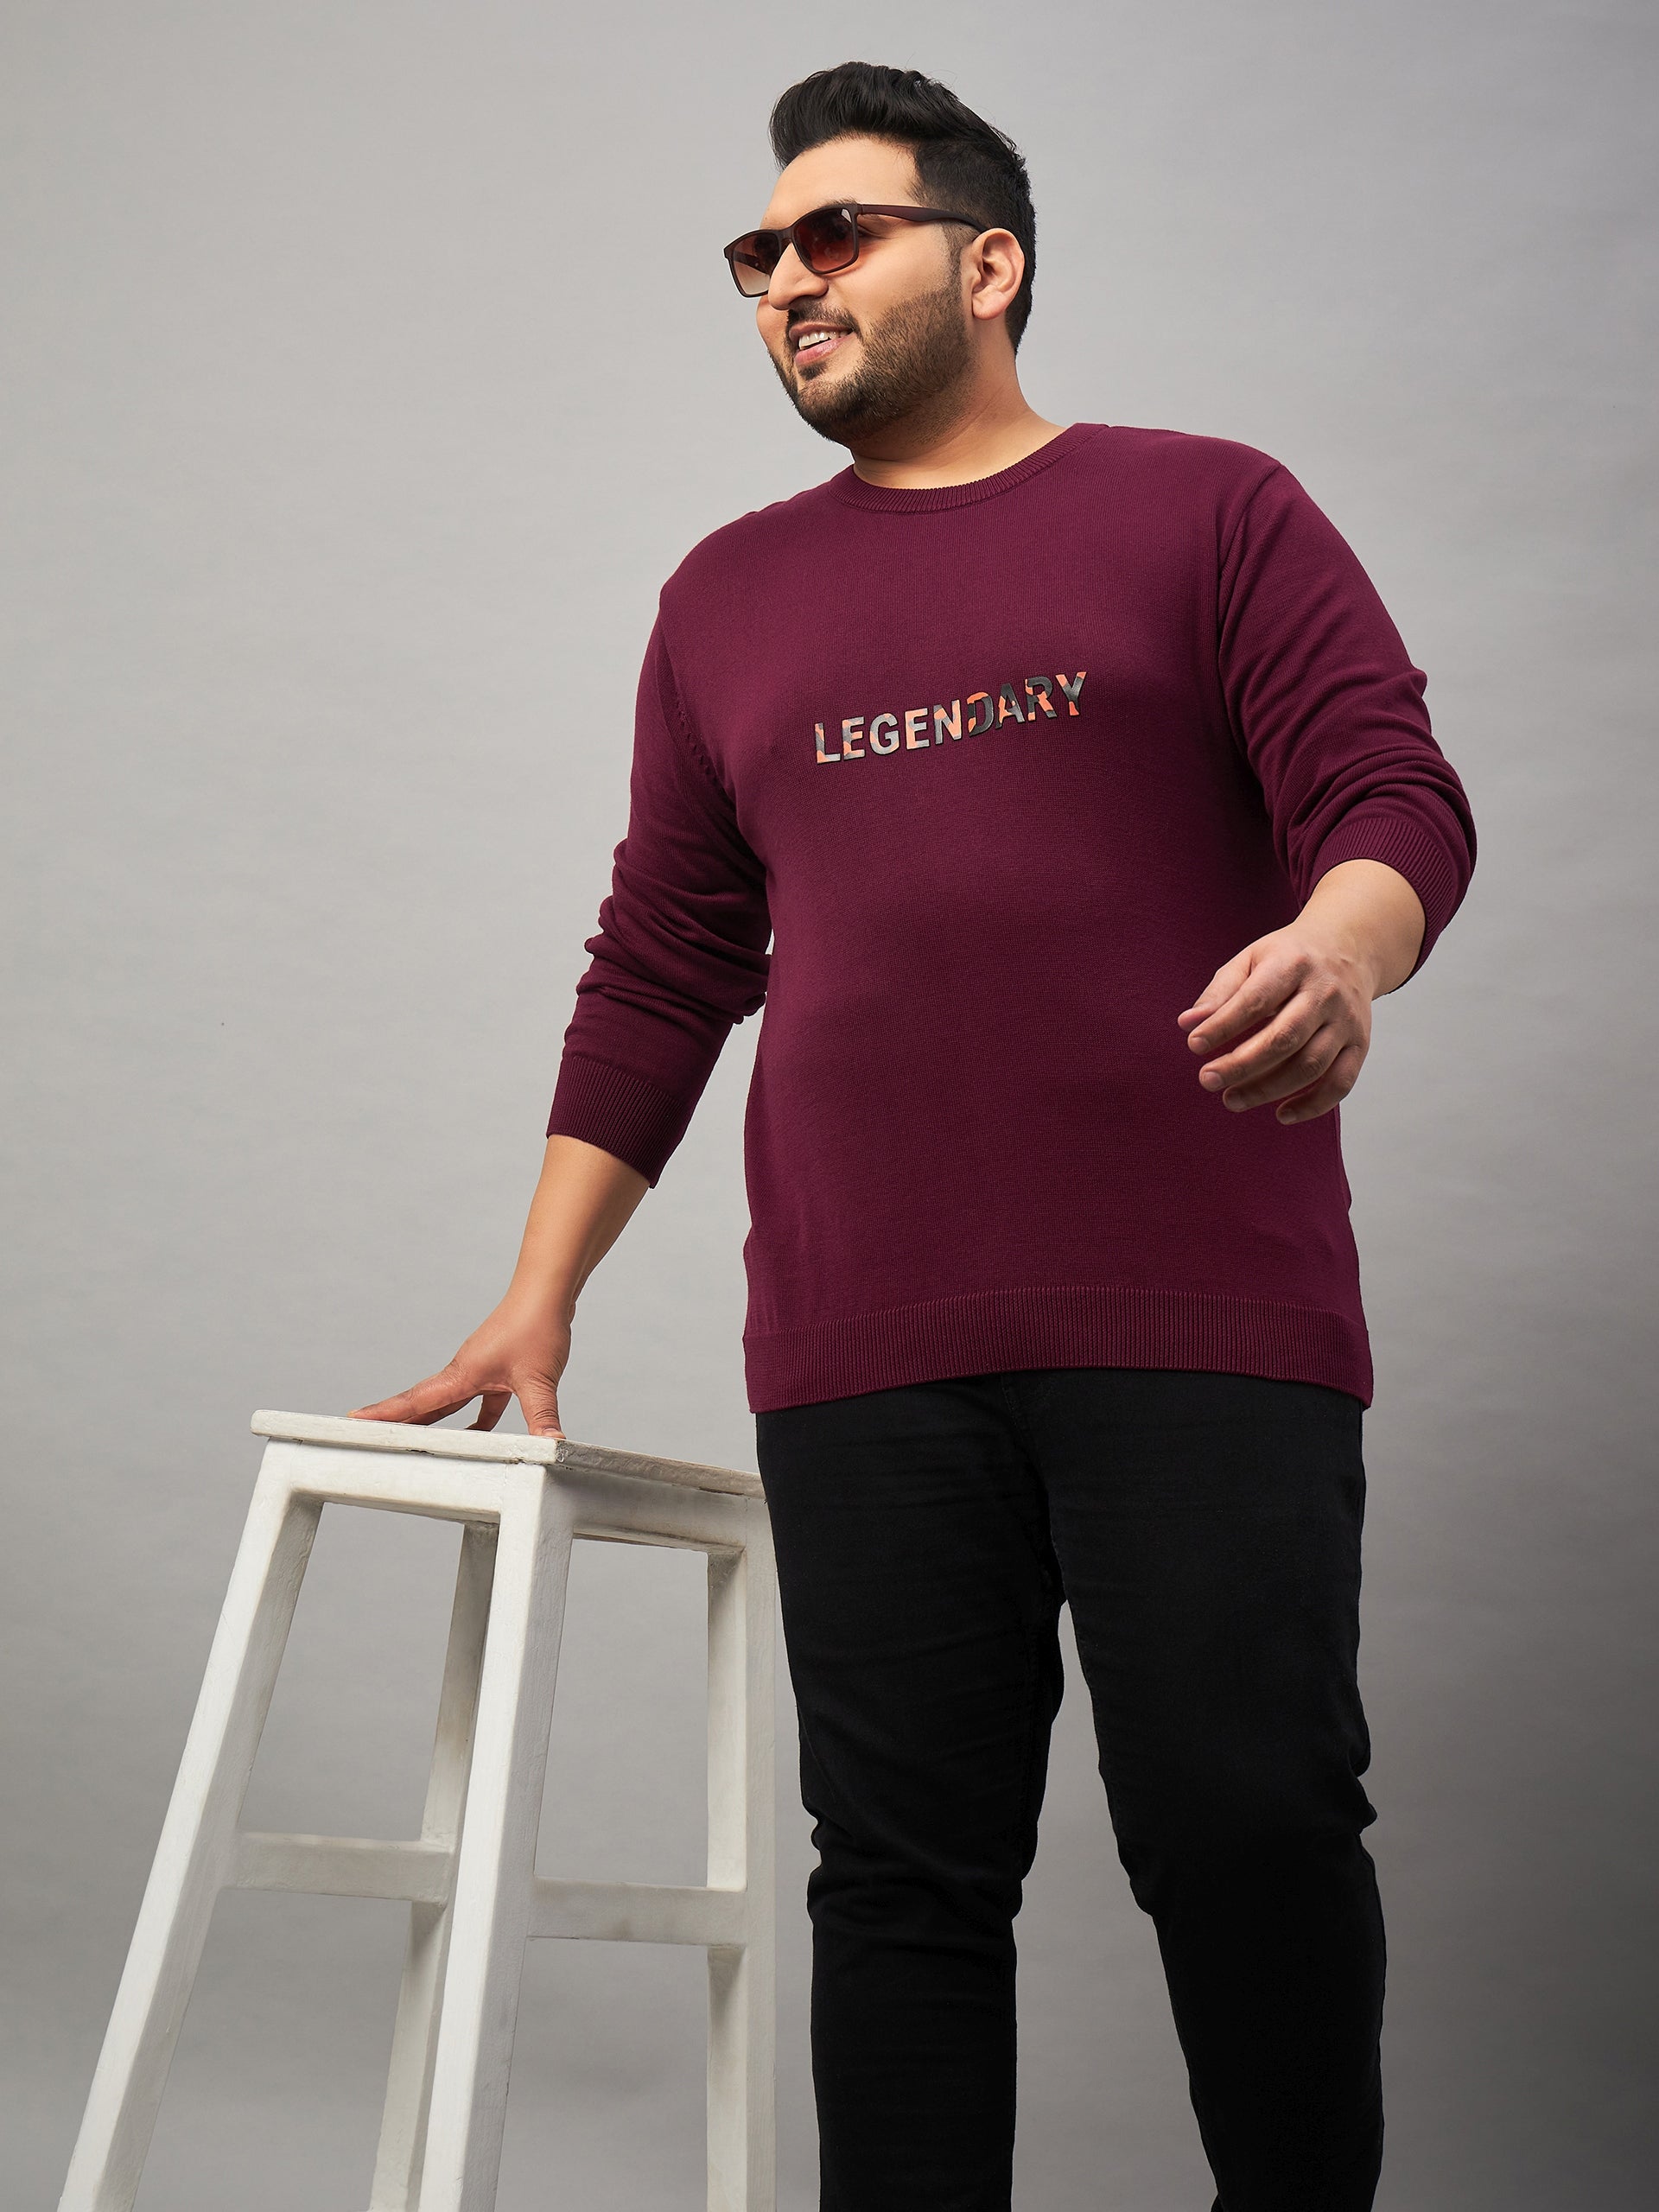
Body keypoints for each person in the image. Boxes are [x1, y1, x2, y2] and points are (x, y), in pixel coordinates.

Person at [352, 60, 1476, 2212]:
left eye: (836, 232)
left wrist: (1345, 947)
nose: (787, 278)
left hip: (1194, 1301)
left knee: (1246, 1823)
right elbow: (664, 959)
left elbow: (1388, 787)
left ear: (991, 263)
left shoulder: (1210, 508)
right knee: (900, 1875)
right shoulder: (724, 597)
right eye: (758, 253)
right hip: (863, 1335)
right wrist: (536, 1293)